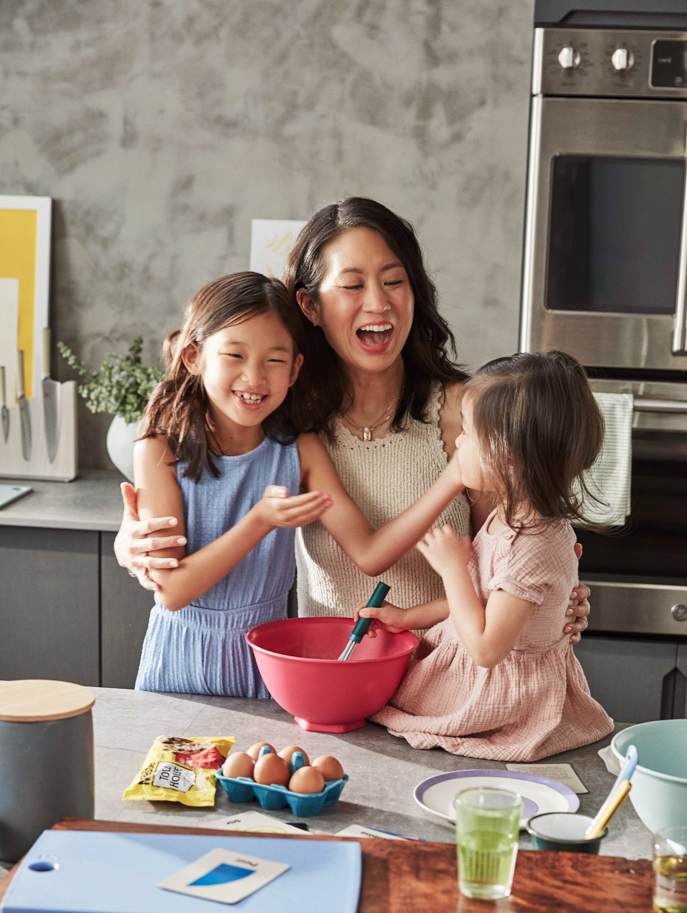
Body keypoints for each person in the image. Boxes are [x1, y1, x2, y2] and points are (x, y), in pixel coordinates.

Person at [114, 197, 592, 644]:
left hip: (453, 681)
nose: (378, 304)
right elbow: (202, 494)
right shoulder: (280, 410)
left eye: (393, 280)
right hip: (332, 679)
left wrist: (553, 595)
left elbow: (519, 545)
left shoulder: (466, 414)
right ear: (309, 305)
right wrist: (128, 545)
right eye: (352, 285)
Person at [133, 271, 463, 698]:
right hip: (175, 665)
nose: (254, 378)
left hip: (266, 668)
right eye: (234, 355)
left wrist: (452, 478)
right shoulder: (161, 449)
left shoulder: (301, 451)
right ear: (194, 357)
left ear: (294, 369)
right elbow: (173, 591)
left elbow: (369, 553)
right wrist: (261, 520)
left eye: (274, 360)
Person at [362, 351, 614, 761]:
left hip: (502, 702)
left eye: (468, 434)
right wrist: (408, 617)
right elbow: (484, 600)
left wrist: (452, 569)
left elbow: (485, 649)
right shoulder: (509, 513)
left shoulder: (533, 544)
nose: (458, 443)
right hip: (475, 677)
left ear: (507, 455)